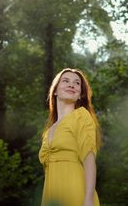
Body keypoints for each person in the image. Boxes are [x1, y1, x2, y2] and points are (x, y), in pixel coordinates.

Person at [39, 68, 101, 206]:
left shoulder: (80, 116)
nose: (71, 85)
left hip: (76, 193)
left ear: (80, 95)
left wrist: (88, 198)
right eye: (65, 81)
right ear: (54, 90)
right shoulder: (48, 131)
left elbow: (89, 159)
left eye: (77, 83)